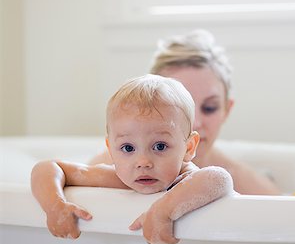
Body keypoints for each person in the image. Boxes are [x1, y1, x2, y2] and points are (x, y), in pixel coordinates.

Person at [31, 74, 234, 244]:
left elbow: (219, 179)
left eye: (160, 146)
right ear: (111, 149)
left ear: (189, 148)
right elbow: (47, 168)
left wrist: (163, 211)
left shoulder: (186, 178)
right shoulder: (116, 177)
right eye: (128, 148)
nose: (143, 161)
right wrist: (55, 206)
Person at [90, 30, 280, 195]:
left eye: (209, 108)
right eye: (178, 110)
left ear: (226, 110)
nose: (195, 122)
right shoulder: (107, 170)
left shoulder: (249, 186)